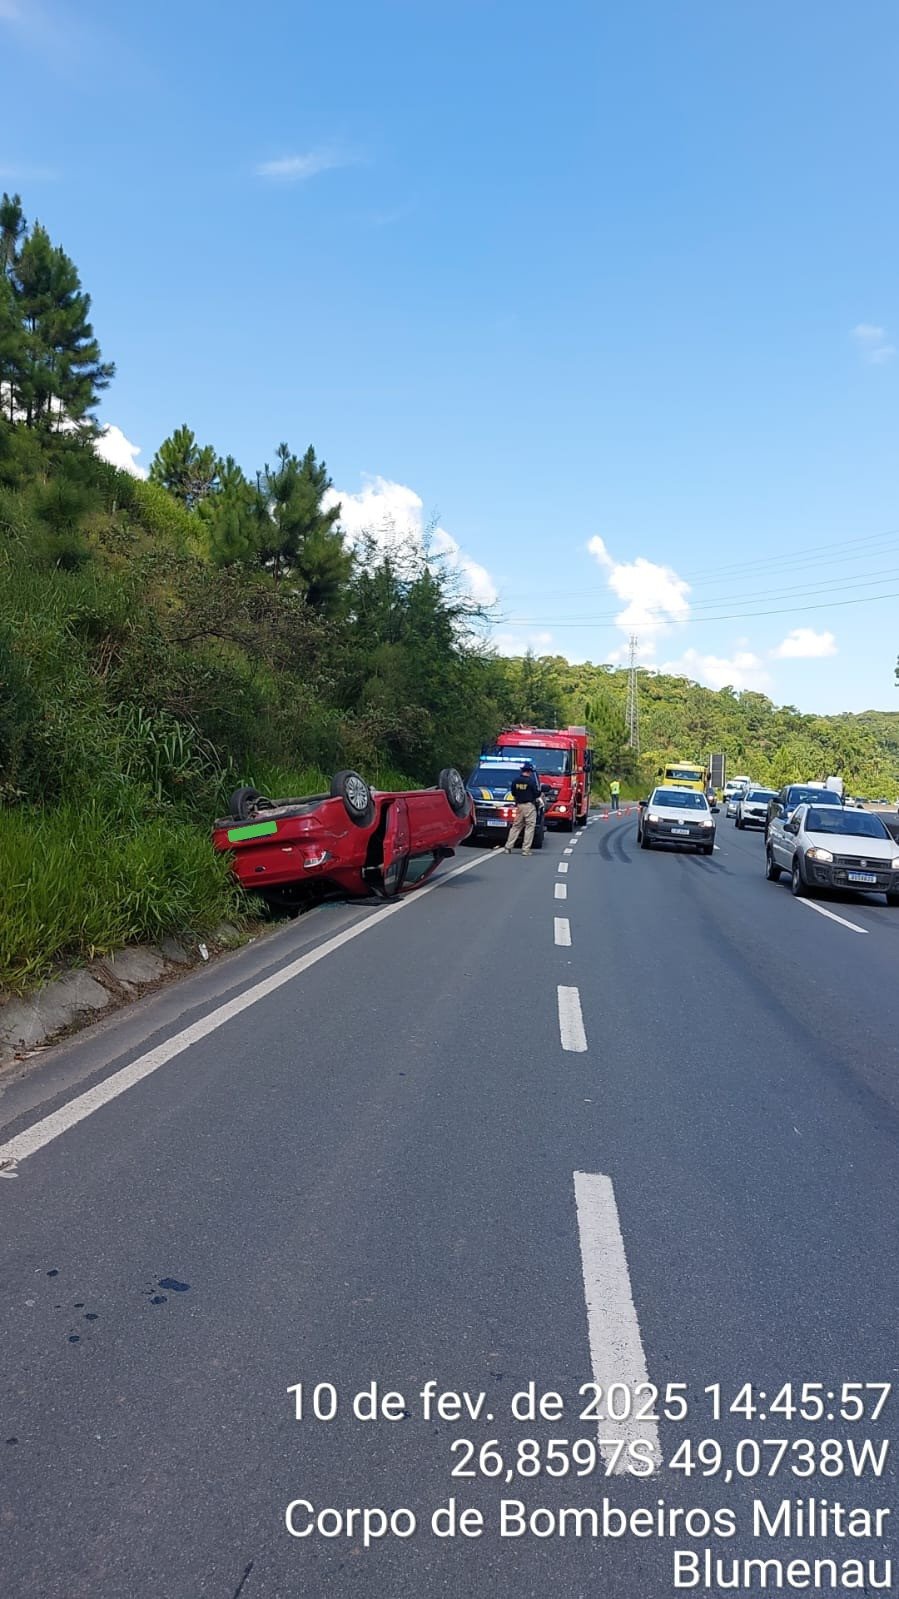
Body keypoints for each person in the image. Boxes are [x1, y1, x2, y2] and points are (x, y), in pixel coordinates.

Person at [504, 761, 541, 855]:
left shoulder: (516, 781)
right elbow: (536, 793)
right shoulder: (531, 782)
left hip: (519, 806)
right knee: (530, 827)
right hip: (529, 806)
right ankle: (526, 850)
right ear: (529, 772)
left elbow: (513, 793)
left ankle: (508, 847)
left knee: (516, 826)